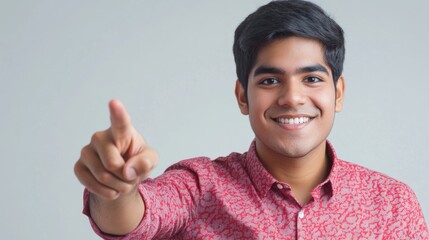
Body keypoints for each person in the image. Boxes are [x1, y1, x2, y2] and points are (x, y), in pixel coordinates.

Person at [74, 0, 428, 239]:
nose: (291, 97)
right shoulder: (200, 188)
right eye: (270, 80)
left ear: (338, 93)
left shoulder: (392, 204)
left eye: (312, 78)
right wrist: (116, 188)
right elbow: (134, 218)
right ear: (243, 95)